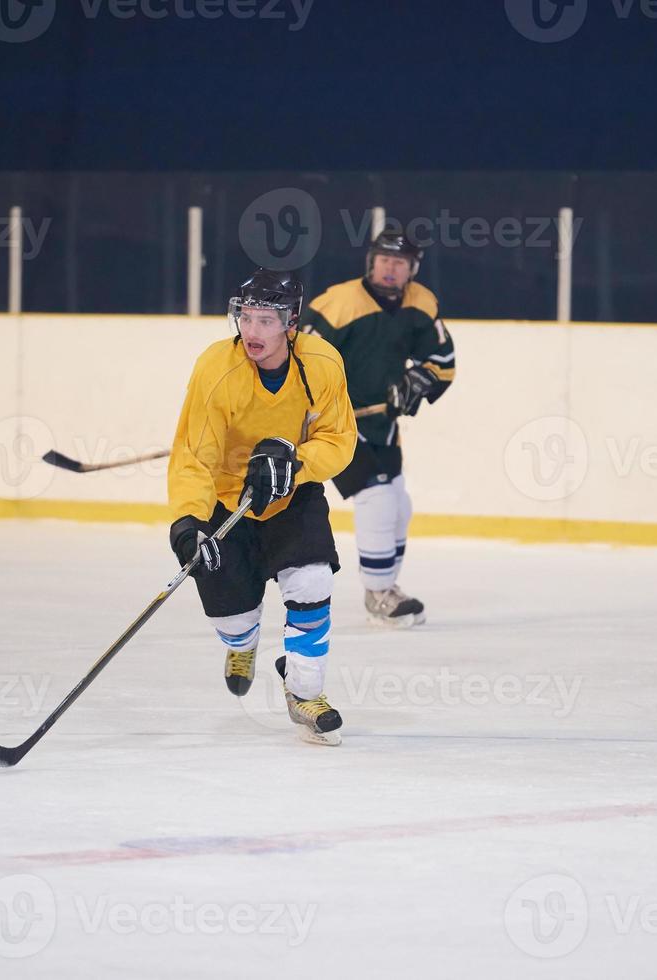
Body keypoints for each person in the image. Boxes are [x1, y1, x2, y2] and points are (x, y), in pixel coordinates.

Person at [167, 268, 358, 745]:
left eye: (265, 321)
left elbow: (339, 440)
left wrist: (295, 462)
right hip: (225, 499)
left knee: (312, 579)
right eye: (245, 318)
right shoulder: (217, 368)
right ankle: (242, 644)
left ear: (290, 323)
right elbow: (194, 455)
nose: (251, 332)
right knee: (232, 619)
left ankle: (305, 690)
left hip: (291, 494)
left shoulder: (322, 364)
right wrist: (188, 521)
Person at [297, 231, 456, 628]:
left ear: (412, 270)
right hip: (334, 425)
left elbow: (443, 361)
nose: (390, 268)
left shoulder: (420, 303)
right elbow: (298, 360)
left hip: (381, 424)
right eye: (384, 260)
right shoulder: (337, 303)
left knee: (399, 506)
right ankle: (378, 595)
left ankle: (387, 586)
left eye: (399, 263)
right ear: (371, 262)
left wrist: (421, 378)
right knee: (379, 498)